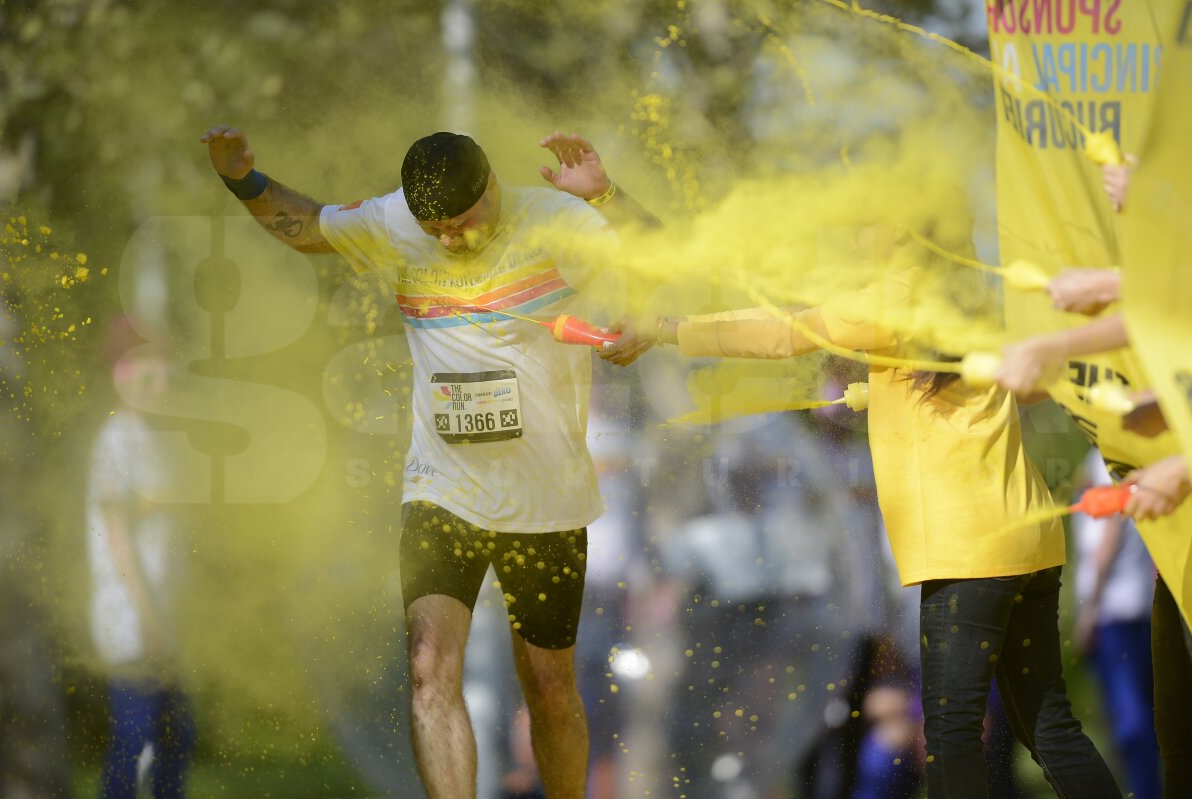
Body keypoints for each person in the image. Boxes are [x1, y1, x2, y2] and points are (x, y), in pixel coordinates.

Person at [201, 125, 654, 799]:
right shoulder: (394, 221)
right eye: (434, 229)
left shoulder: (555, 220)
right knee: (428, 668)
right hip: (443, 488)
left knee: (550, 688)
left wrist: (608, 200)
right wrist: (242, 179)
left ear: (491, 188)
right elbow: (308, 227)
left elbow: (661, 258)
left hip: (545, 497)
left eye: (461, 224)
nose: (449, 240)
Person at [647, 233, 1121, 798]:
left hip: (969, 548)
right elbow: (1028, 387)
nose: (856, 237)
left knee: (951, 730)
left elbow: (785, 330)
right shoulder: (968, 302)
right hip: (1029, 538)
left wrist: (668, 329)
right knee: (1048, 725)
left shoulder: (896, 298)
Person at [87, 330, 194, 799]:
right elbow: (118, 539)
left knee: (174, 736)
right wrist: (148, 620)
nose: (162, 383)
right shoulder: (116, 439)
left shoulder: (151, 439)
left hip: (158, 617)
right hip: (130, 617)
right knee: (140, 739)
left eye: (165, 373)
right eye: (149, 374)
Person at [1072, 449, 1161, 799]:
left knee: (1129, 722)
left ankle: (1143, 791)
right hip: (1141, 606)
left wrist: (1089, 609)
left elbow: (1107, 538)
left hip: (1113, 612)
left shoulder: (1103, 460)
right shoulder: (1132, 455)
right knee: (1148, 715)